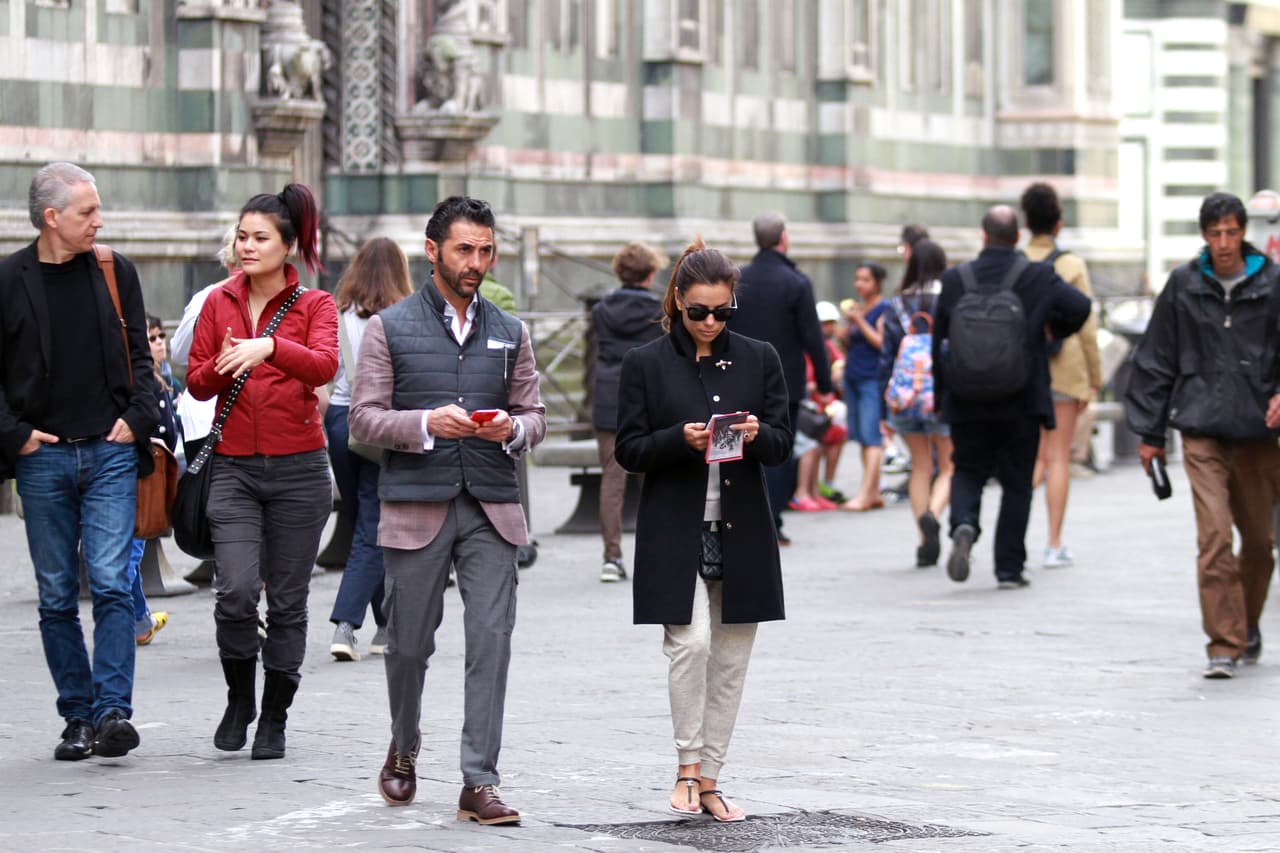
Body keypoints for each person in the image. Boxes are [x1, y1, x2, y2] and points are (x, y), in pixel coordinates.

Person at [349, 196, 546, 824]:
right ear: (432, 251)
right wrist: (426, 424)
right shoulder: (389, 327)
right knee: (407, 645)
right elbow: (362, 417)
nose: (476, 262)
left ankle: (478, 780)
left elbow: (536, 417)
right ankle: (403, 746)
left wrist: (510, 430)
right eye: (465, 249)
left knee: (492, 640)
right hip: (415, 504)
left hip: (492, 506)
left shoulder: (510, 332)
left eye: (486, 250)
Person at [615, 239, 790, 824]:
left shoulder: (760, 357)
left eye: (722, 311)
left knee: (733, 657)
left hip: (744, 529)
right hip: (675, 528)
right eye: (699, 312)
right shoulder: (645, 363)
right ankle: (687, 765)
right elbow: (629, 449)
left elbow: (784, 443)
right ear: (677, 302)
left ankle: (711, 778)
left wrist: (754, 433)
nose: (711, 322)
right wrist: (678, 440)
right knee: (689, 644)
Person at [0, 162, 158, 760]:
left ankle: (113, 710)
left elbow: (142, 357)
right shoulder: (9, 279)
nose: (99, 220)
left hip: (110, 452)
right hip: (42, 459)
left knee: (115, 583)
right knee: (57, 594)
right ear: (51, 218)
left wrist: (136, 420)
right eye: (87, 212)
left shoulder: (117, 271)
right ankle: (77, 716)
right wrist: (15, 435)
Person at [186, 183, 339, 759]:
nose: (246, 247)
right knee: (236, 591)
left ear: (288, 246)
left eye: (259, 238)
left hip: (301, 470)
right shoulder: (217, 302)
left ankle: (274, 714)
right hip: (233, 471)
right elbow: (196, 379)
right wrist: (229, 363)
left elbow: (324, 365)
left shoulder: (315, 306)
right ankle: (238, 698)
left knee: (290, 601)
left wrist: (269, 348)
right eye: (242, 237)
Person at [1128, 192, 1280, 679]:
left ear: (1244, 233)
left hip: (1258, 429)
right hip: (1200, 428)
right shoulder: (1183, 285)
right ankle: (1223, 643)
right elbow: (1155, 359)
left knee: (1258, 543)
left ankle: (1246, 624)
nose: (1224, 243)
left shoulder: (1274, 282)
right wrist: (1150, 432)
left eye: (1232, 232)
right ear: (1203, 236)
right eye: (1215, 234)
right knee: (1214, 536)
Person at [934, 205, 1091, 589]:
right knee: (1018, 482)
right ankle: (1008, 567)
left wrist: (942, 395)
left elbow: (938, 338)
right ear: (1017, 236)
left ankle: (964, 523)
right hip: (1022, 397)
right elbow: (1081, 307)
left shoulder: (957, 278)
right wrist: (1053, 331)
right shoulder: (1037, 275)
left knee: (967, 468)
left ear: (983, 235)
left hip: (967, 397)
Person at [327, 238, 414, 661]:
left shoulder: (339, 315)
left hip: (340, 423)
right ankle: (346, 624)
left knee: (364, 518)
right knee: (373, 525)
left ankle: (387, 624)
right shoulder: (402, 318)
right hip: (379, 424)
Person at [730, 212, 831, 545]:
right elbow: (813, 338)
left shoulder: (738, 279)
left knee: (738, 444)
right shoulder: (796, 282)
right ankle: (771, 519)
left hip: (740, 375)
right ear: (783, 238)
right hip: (784, 380)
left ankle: (738, 516)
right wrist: (827, 385)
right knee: (777, 447)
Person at [1021, 182, 1102, 568]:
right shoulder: (1071, 265)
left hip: (1022, 368)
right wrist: (1094, 376)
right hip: (1065, 370)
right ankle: (1053, 543)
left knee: (1032, 457)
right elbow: (1087, 325)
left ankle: (1012, 535)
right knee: (1058, 458)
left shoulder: (1016, 261)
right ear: (1058, 222)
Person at [590, 241, 667, 582]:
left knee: (612, 478)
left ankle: (612, 557)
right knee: (653, 480)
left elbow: (591, 355)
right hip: (647, 398)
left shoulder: (601, 309)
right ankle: (658, 553)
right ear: (651, 275)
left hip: (608, 396)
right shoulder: (659, 311)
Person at [877, 239, 953, 567]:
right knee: (950, 466)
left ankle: (924, 540)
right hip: (941, 393)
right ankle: (933, 517)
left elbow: (886, 357)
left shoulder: (897, 305)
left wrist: (885, 405)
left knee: (920, 466)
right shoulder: (950, 297)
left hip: (906, 396)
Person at [129, 313, 179, 646]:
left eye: (162, 336)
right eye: (152, 338)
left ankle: (139, 619)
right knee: (129, 553)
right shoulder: (144, 381)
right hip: (141, 474)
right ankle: (134, 619)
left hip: (154, 471)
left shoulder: (164, 378)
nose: (160, 343)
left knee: (129, 551)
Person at [839, 262, 890, 511]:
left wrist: (859, 321)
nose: (860, 284)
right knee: (861, 435)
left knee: (872, 436)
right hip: (854, 375)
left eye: (866, 280)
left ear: (877, 283)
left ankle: (865, 494)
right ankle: (875, 491)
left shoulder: (884, 308)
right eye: (858, 279)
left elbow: (882, 343)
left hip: (872, 377)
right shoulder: (860, 308)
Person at [791, 300, 846, 510]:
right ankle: (801, 493)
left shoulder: (828, 346)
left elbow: (839, 362)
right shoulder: (805, 346)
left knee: (833, 437)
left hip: (820, 407)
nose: (828, 328)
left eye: (831, 323)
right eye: (824, 323)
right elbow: (806, 381)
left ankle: (816, 491)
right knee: (810, 446)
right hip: (806, 407)